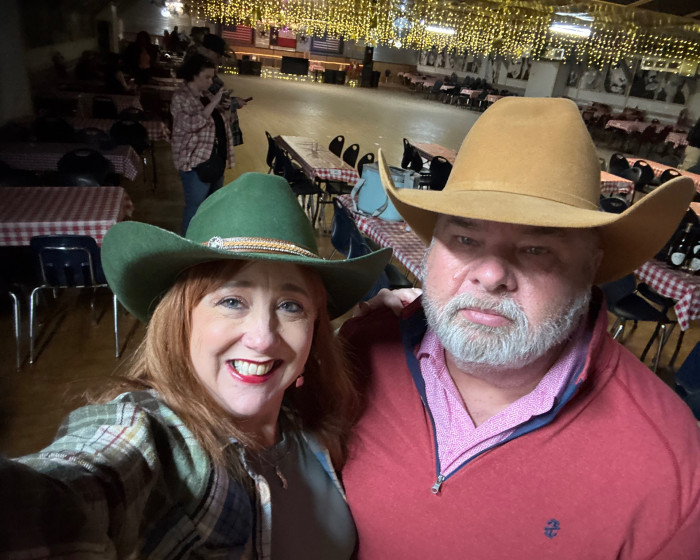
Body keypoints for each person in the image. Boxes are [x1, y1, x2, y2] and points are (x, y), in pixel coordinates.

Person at [340, 97, 700, 558]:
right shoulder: (362, 351)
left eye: (535, 249)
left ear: (592, 265)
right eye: (465, 238)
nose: (491, 275)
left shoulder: (670, 471)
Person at [0, 173, 392, 557]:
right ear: (182, 320)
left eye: (291, 306)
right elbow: (77, 491)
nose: (263, 338)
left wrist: (394, 324)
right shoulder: (161, 441)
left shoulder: (310, 424)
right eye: (232, 301)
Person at [172, 53, 236, 233]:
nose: (210, 81)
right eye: (207, 77)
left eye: (212, 77)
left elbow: (220, 120)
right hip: (195, 163)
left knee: (211, 208)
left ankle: (206, 240)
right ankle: (188, 244)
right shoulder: (180, 97)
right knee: (195, 208)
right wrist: (214, 102)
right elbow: (190, 125)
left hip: (215, 159)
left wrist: (227, 107)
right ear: (193, 75)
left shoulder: (205, 94)